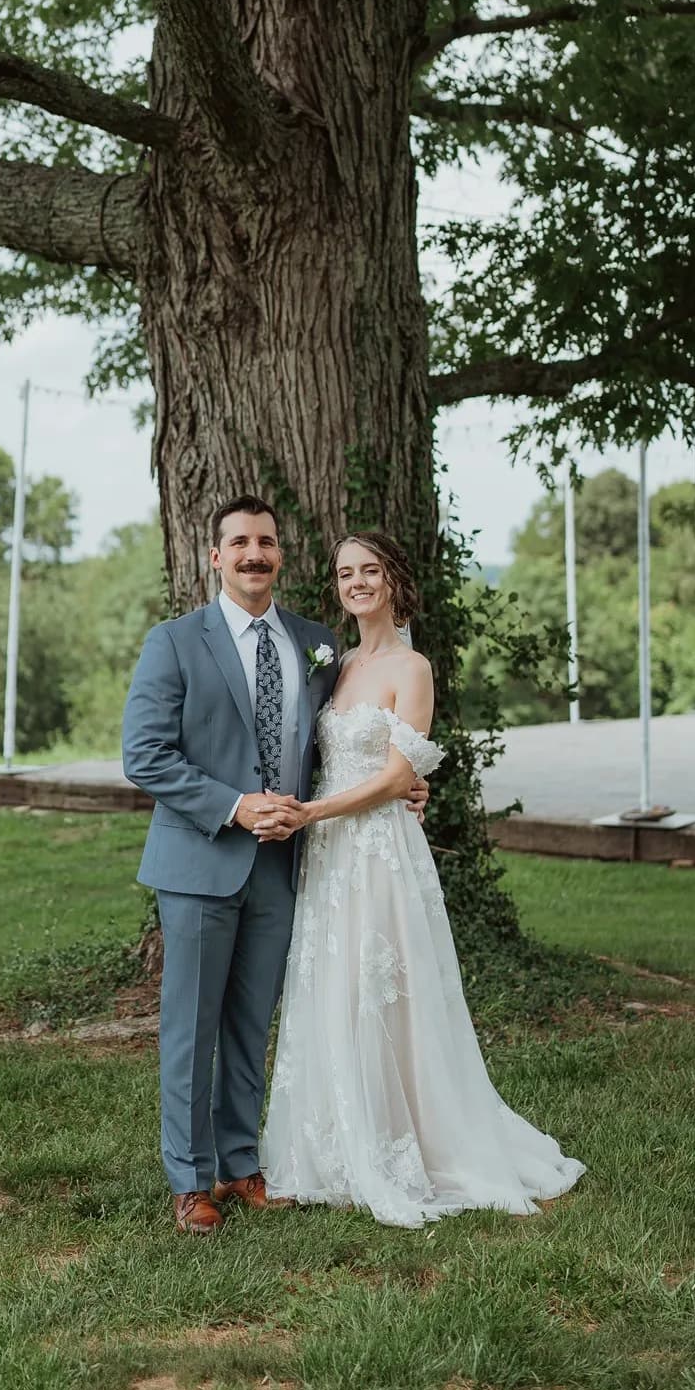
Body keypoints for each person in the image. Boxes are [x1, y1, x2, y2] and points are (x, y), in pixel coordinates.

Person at [121, 496, 431, 1235]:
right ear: (215, 557)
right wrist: (234, 806)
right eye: (239, 543)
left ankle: (240, 1165)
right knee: (191, 1028)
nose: (254, 554)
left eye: (265, 542)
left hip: (284, 866)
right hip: (199, 862)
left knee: (253, 1021)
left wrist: (407, 780)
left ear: (279, 555)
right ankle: (189, 1181)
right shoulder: (174, 642)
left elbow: (346, 739)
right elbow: (145, 756)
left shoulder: (316, 645)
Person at [259, 530, 585, 1228]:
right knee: (331, 984)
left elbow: (401, 775)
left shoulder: (413, 668)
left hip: (377, 850)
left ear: (392, 579)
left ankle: (410, 1144)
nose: (357, 583)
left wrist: (313, 811)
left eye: (369, 570)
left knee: (384, 992)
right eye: (346, 573)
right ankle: (331, 1148)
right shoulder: (334, 663)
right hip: (330, 856)